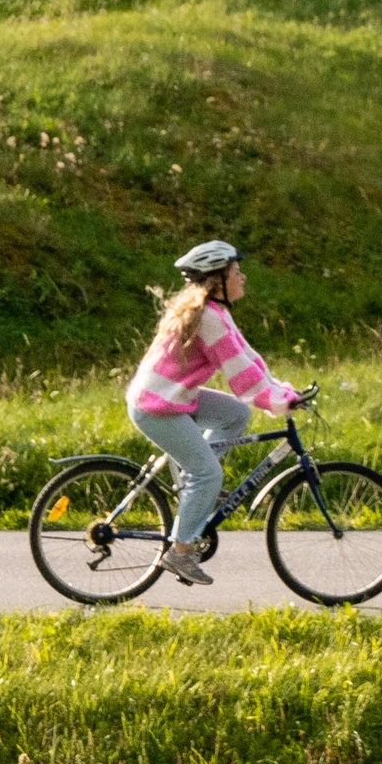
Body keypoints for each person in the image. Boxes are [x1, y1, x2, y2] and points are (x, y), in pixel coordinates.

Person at [126, 238, 306, 585]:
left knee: (235, 414)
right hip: (156, 406)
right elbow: (241, 376)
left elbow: (249, 359)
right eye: (236, 271)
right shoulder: (209, 318)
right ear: (217, 279)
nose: (243, 277)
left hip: (170, 396)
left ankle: (198, 483)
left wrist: (282, 391)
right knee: (208, 474)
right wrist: (278, 402)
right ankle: (180, 554)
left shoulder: (215, 312)